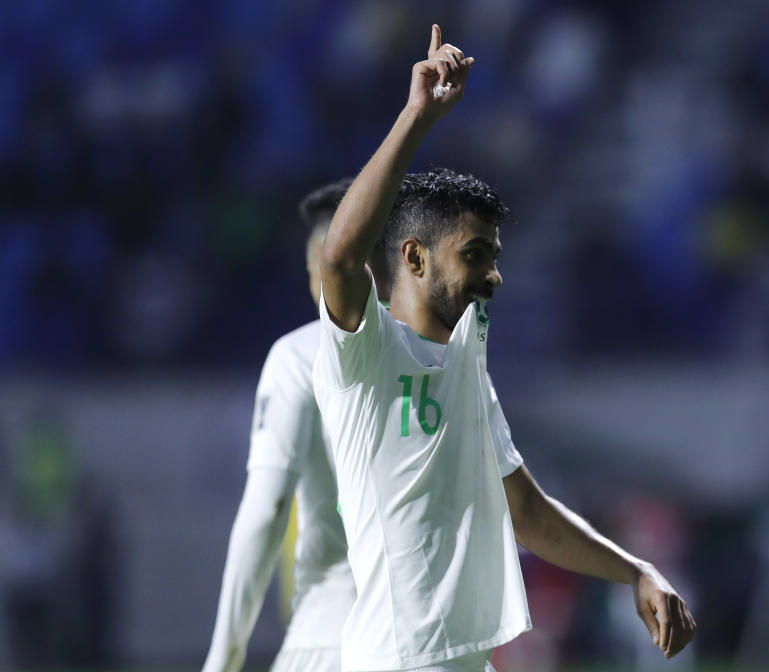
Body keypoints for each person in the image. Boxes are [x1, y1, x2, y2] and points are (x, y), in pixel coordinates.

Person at [314, 24, 695, 672]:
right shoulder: (366, 356)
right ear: (413, 258)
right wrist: (416, 117)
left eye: (493, 256)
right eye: (475, 256)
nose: (494, 276)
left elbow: (528, 513)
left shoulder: (467, 377)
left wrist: (635, 572)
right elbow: (343, 254)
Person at [203, 179, 362, 672]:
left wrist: (223, 657)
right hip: (439, 642)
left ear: (322, 259)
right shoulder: (444, 357)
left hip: (335, 633)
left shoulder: (300, 355)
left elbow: (267, 509)